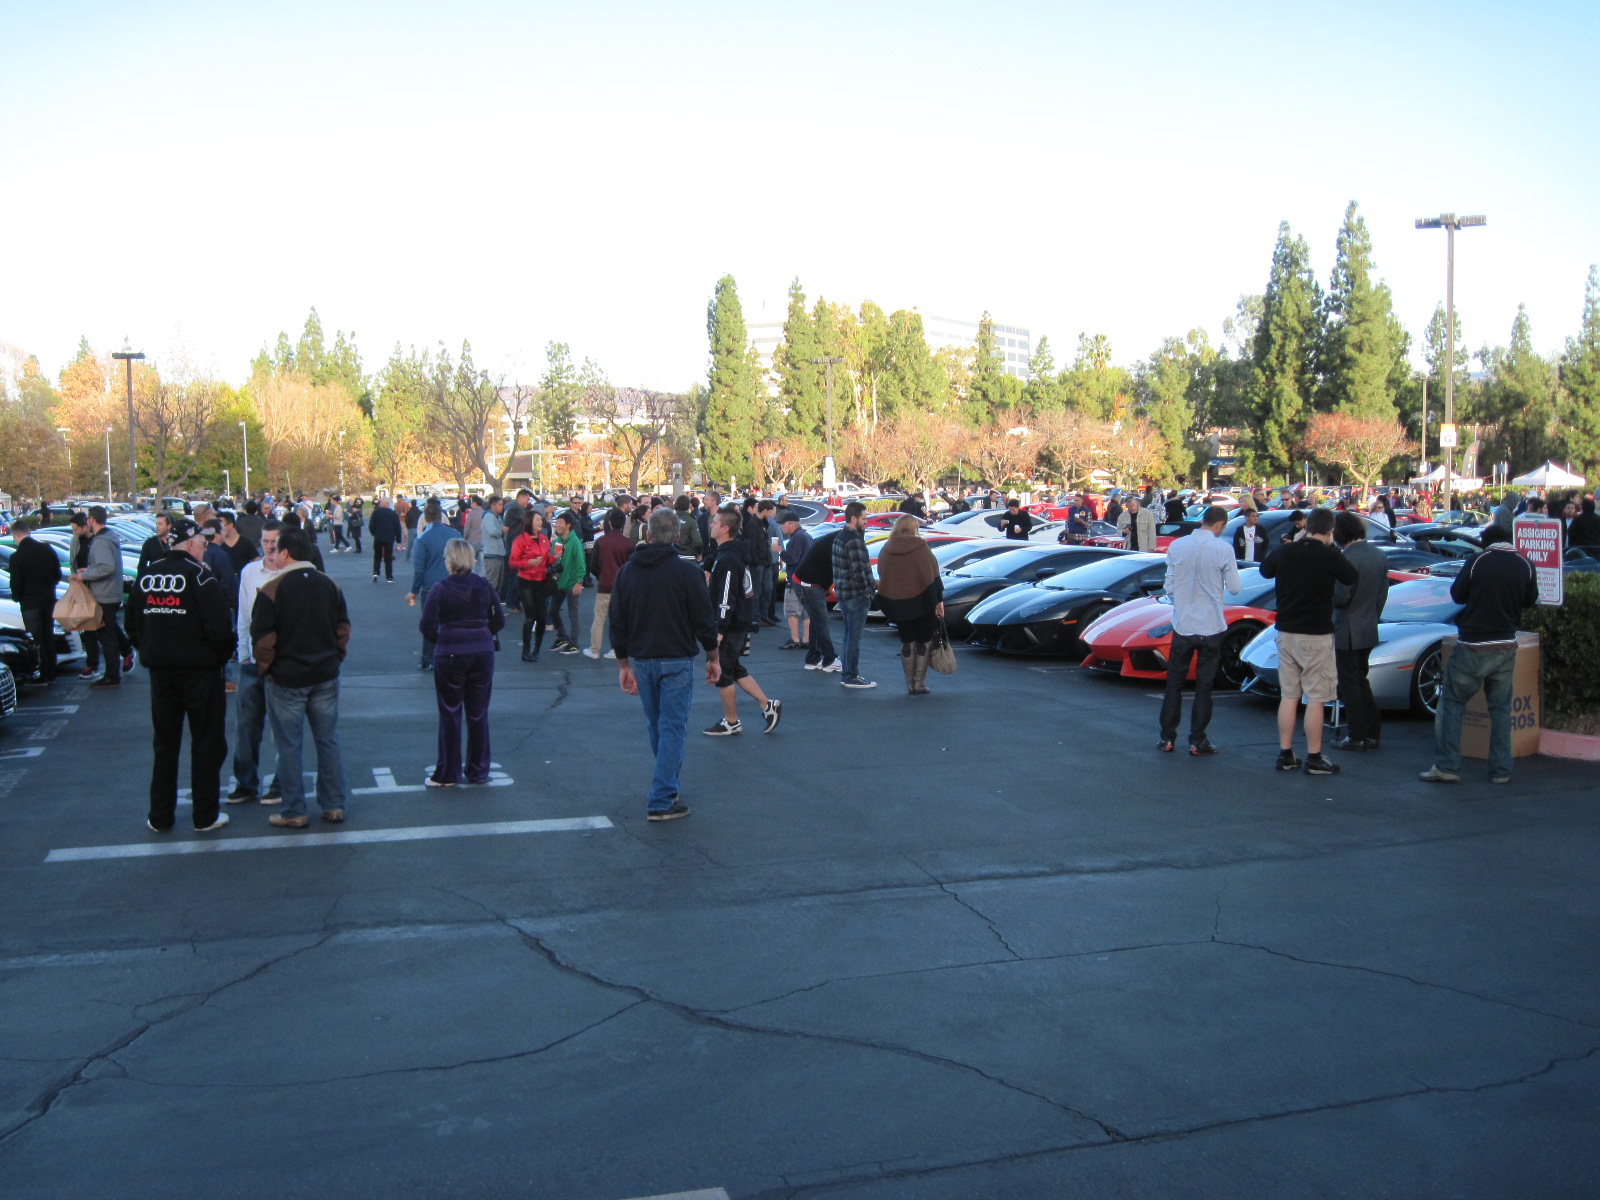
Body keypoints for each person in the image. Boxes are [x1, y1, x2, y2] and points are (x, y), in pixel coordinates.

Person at [610, 507, 721, 821]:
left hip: (643, 659)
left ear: (648, 534)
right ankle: (661, 797)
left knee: (657, 725)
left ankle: (666, 784)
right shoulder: (688, 573)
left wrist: (623, 664)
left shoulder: (627, 573)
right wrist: (713, 657)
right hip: (676, 659)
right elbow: (704, 620)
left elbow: (617, 622)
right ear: (676, 537)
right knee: (672, 727)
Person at [128, 517, 236, 834]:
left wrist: (151, 649)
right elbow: (221, 630)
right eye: (202, 543)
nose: (204, 548)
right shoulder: (200, 577)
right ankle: (205, 815)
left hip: (161, 673)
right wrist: (215, 659)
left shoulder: (147, 576)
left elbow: (132, 626)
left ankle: (160, 816)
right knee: (206, 743)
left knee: (165, 744)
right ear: (190, 544)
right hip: (199, 673)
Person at [1420, 525, 1539, 785]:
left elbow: (1457, 595)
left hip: (1473, 644)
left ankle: (1447, 766)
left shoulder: (1477, 561)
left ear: (1486, 542)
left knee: (1452, 704)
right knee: (1500, 709)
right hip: (1506, 644)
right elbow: (1530, 600)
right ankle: (1501, 770)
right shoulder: (1525, 564)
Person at [251, 525, 352, 828]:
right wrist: (335, 658)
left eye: (276, 549)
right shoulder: (329, 584)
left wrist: (266, 668)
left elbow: (263, 639)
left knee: (289, 746)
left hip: (287, 678)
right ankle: (333, 805)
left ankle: (294, 810)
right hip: (325, 674)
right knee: (328, 741)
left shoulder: (272, 589)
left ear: (285, 552)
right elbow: (343, 628)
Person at [1260, 507, 1358, 775]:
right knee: (1316, 697)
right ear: (1331, 531)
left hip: (1286, 631)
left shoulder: (1286, 551)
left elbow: (1265, 570)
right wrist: (1330, 547)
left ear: (1306, 527)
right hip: (1316, 633)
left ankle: (1285, 753)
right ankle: (1314, 756)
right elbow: (1350, 576)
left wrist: (1297, 541)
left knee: (1289, 695)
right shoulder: (1329, 555)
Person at [420, 537, 505, 786]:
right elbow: (499, 620)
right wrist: (483, 633)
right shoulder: (484, 586)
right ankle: (478, 770)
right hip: (482, 651)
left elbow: (426, 625)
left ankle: (448, 772)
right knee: (478, 713)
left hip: (450, 651)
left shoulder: (440, 589)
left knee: (450, 712)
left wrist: (441, 638)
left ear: (449, 561)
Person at [1157, 505, 1240, 754]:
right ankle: (1197, 739)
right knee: (1204, 686)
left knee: (1174, 683)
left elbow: (1169, 586)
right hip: (1211, 624)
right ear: (1220, 524)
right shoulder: (1223, 549)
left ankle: (1168, 737)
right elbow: (1234, 587)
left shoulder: (1178, 546)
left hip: (1183, 623)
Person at [703, 510, 782, 735]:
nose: (711, 526)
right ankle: (767, 705)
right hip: (738, 621)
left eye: (715, 523)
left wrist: (719, 629)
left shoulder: (729, 558)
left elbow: (726, 596)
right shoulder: (729, 554)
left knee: (723, 672)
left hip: (732, 624)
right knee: (734, 667)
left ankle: (732, 721)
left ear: (725, 528)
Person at [229, 521, 282, 806]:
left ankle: (281, 783)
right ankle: (245, 784)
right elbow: (244, 616)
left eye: (275, 541)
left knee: (282, 728)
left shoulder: (292, 572)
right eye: (265, 541)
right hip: (251, 661)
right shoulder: (250, 572)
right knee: (246, 726)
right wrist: (243, 653)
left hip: (282, 663)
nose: (270, 546)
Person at [1330, 511, 1388, 753]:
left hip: (1347, 627)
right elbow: (1382, 594)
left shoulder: (1347, 558)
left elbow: (1341, 597)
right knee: (1361, 681)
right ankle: (1372, 733)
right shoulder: (1378, 554)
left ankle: (1357, 736)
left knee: (1349, 684)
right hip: (1368, 625)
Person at [875, 515, 945, 696]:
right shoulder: (921, 547)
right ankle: (919, 683)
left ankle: (909, 683)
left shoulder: (887, 548)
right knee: (923, 641)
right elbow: (933, 575)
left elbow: (882, 573)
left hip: (897, 603)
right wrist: (939, 600)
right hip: (923, 601)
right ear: (914, 528)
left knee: (907, 641)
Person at [74, 506, 131, 690]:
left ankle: (112, 675)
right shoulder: (109, 537)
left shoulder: (100, 542)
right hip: (111, 592)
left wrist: (85, 575)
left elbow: (107, 567)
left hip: (104, 594)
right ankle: (123, 658)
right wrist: (89, 570)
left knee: (106, 637)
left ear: (91, 519)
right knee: (110, 632)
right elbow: (104, 565)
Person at [8, 517, 62, 683]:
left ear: (15, 535)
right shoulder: (46, 549)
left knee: (37, 639)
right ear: (28, 532)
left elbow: (15, 583)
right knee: (48, 636)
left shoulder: (17, 557)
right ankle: (52, 671)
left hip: (30, 603)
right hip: (48, 600)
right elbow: (57, 574)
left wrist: (17, 597)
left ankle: (43, 672)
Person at [831, 501, 876, 688]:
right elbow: (859, 571)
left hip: (843, 593)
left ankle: (847, 674)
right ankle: (851, 675)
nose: (866, 522)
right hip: (856, 595)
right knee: (854, 638)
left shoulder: (840, 536)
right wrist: (867, 592)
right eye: (864, 518)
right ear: (854, 518)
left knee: (848, 636)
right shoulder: (854, 540)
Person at [408, 499, 453, 670]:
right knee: (451, 622)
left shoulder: (423, 538)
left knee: (430, 623)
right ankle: (450, 654)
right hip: (452, 584)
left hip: (430, 586)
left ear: (425, 518)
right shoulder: (454, 534)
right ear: (441, 516)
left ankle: (428, 659)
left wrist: (414, 590)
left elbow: (419, 568)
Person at [585, 507, 632, 660]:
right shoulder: (628, 543)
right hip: (621, 587)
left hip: (604, 584)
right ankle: (617, 650)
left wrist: (601, 576)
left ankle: (595, 650)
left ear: (610, 523)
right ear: (623, 524)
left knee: (599, 618)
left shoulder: (601, 541)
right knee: (619, 620)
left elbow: (593, 565)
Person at [509, 509, 556, 661]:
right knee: (531, 616)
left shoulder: (544, 539)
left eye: (540, 520)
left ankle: (536, 648)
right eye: (537, 520)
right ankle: (526, 650)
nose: (540, 522)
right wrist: (528, 563)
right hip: (526, 580)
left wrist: (555, 558)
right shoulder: (520, 540)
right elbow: (512, 562)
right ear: (529, 522)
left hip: (542, 579)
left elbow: (547, 560)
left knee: (541, 617)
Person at [547, 511, 586, 654]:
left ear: (568, 525)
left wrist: (579, 582)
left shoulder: (574, 541)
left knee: (573, 613)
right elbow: (554, 559)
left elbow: (581, 563)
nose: (557, 525)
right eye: (556, 522)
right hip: (559, 581)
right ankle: (562, 636)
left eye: (560, 523)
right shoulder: (557, 541)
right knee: (552, 610)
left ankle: (574, 643)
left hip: (572, 583)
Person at [778, 510, 812, 651]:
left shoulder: (797, 538)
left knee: (792, 610)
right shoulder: (807, 536)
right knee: (806, 611)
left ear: (792, 524)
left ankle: (795, 638)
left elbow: (793, 559)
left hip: (795, 579)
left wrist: (780, 551)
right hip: (807, 579)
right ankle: (807, 639)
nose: (781, 526)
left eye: (783, 523)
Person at [369, 496, 402, 582]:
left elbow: (371, 525)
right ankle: (389, 576)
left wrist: (374, 533)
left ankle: (376, 572)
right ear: (388, 504)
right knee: (388, 558)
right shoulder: (393, 513)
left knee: (377, 556)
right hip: (389, 538)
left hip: (378, 537)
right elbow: (397, 527)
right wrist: (398, 539)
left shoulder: (376, 512)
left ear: (381, 503)